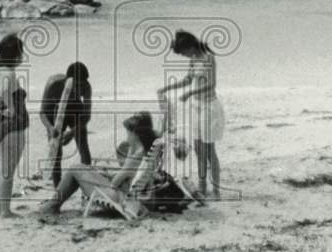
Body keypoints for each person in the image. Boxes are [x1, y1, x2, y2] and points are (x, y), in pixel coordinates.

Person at [38, 111, 157, 223]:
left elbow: (114, 183)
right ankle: (53, 204)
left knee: (75, 169)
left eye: (128, 133)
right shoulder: (145, 151)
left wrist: (103, 176)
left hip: (120, 199)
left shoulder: (135, 157)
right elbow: (126, 176)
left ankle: (52, 205)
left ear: (135, 134)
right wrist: (101, 174)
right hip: (129, 197)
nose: (127, 137)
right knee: (82, 169)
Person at [158, 29, 225, 200]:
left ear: (190, 46)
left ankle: (216, 190)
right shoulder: (194, 59)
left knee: (209, 150)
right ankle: (202, 188)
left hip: (209, 106)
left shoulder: (208, 57)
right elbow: (188, 80)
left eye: (184, 52)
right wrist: (168, 88)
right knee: (198, 149)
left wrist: (189, 94)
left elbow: (212, 84)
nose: (185, 56)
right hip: (196, 106)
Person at [0, 33, 29, 219]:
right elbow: (10, 107)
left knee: (1, 168)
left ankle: (0, 208)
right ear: (16, 54)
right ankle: (5, 211)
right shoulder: (9, 74)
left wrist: (0, 109)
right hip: (12, 126)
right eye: (21, 52)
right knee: (7, 170)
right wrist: (7, 109)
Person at [39, 61, 92, 187]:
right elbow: (42, 113)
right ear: (69, 81)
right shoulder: (54, 85)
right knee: (56, 152)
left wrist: (72, 133)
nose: (80, 91)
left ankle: (88, 184)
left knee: (84, 148)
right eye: (77, 86)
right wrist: (50, 128)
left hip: (75, 109)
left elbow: (86, 115)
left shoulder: (86, 87)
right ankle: (58, 189)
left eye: (82, 86)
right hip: (55, 111)